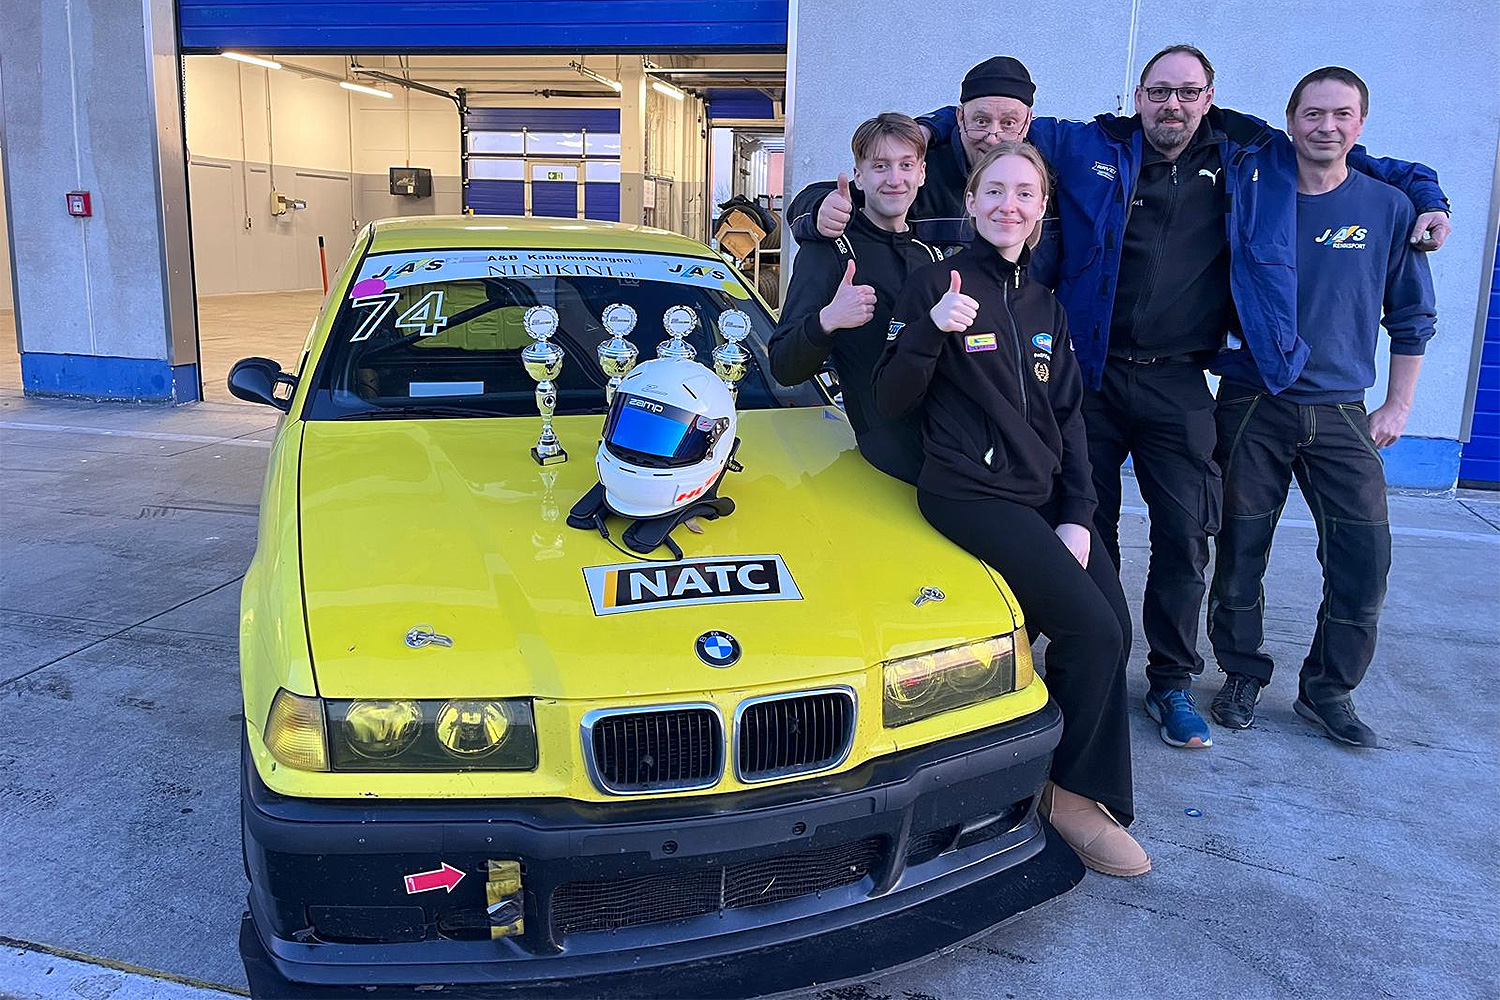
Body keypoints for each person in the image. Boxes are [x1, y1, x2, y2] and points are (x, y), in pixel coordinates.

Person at [904, 45, 1450, 750]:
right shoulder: (1089, 144)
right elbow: (987, 125)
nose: (1173, 105)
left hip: (1179, 379)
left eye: (1187, 93)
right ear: (1138, 95)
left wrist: (1428, 193)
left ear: (1208, 97)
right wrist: (916, 133)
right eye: (1159, 92)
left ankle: (1170, 681)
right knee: (1082, 527)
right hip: (1093, 375)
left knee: (1186, 536)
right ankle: (1080, 671)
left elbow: (1342, 154)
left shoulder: (1247, 152)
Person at [873, 142, 1147, 877]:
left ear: (1040, 208)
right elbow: (891, 401)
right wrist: (932, 327)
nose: (1008, 206)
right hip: (968, 492)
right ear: (970, 200)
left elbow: (1070, 418)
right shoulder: (936, 281)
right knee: (1088, 630)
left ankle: (1056, 771)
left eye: (1024, 194)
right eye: (995, 190)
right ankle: (1073, 798)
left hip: (1044, 498)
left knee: (1115, 628)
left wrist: (1078, 514)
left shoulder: (1043, 302)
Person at [1206, 68, 1436, 747]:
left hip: (1341, 411)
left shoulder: (1389, 206)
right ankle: (1242, 672)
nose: (1325, 127)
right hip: (1253, 402)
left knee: (1364, 559)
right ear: (1291, 120)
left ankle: (1327, 691)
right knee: (1240, 551)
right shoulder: (1253, 196)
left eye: (1341, 115)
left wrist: (1398, 405)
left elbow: (1413, 317)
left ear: (1360, 125)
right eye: (1312, 114)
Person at [769, 113, 943, 483]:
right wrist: (828, 320)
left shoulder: (932, 256)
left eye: (905, 165)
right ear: (859, 177)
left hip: (947, 450)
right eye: (880, 167)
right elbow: (783, 367)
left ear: (922, 174)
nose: (895, 179)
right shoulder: (830, 251)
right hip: (887, 465)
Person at [788, 56, 1039, 258]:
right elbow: (834, 196)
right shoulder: (922, 170)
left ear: (1027, 123)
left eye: (1008, 123)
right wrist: (819, 211)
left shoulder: (1042, 175)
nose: (992, 137)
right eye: (981, 121)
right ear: (960, 117)